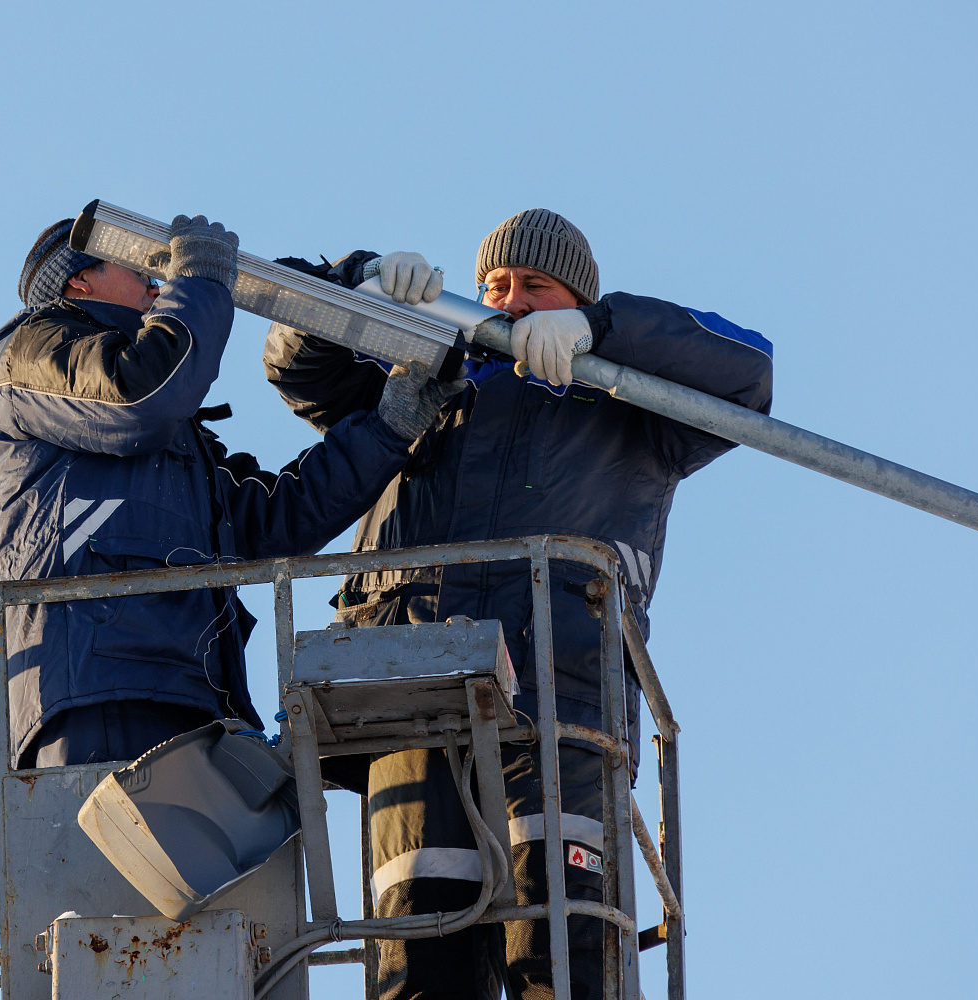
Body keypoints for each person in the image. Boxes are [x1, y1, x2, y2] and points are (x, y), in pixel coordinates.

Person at [264, 209, 774, 1000]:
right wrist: (354, 284)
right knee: (416, 966)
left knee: (562, 956)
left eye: (536, 285)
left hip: (558, 710)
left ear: (576, 300)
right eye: (496, 284)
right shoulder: (422, 375)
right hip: (413, 711)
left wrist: (602, 332)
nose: (511, 300)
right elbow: (297, 364)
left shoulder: (631, 402)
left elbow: (747, 371)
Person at [0, 213, 463, 770]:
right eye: (138, 268)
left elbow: (274, 522)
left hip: (197, 698)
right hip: (97, 691)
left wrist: (390, 426)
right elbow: (143, 397)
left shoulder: (168, 435)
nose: (157, 283)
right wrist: (199, 281)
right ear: (78, 280)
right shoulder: (29, 353)